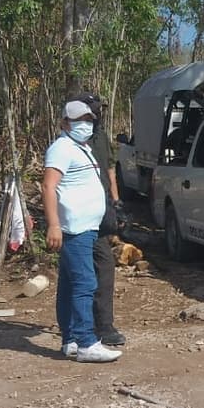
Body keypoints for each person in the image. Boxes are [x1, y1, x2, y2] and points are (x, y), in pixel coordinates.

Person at [42, 100, 122, 363]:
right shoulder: (61, 149)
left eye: (89, 119)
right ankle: (87, 342)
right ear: (65, 122)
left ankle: (71, 339)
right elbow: (48, 187)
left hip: (87, 227)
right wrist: (54, 224)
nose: (85, 124)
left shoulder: (82, 147)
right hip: (74, 228)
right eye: (79, 120)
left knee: (68, 285)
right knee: (85, 283)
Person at [67, 91, 127, 348]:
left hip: (101, 212)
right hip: (79, 217)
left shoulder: (101, 138)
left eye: (97, 111)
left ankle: (99, 325)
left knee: (103, 268)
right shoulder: (72, 142)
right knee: (84, 275)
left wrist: (116, 203)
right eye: (91, 111)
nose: (95, 115)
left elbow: (110, 171)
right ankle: (83, 331)